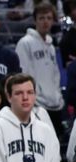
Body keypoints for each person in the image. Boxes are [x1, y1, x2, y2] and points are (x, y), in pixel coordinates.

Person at [16, 2, 64, 139]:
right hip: (37, 104)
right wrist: (33, 97)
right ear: (35, 20)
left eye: (49, 18)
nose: (45, 22)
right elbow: (23, 74)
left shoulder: (51, 46)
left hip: (55, 103)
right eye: (42, 18)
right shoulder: (25, 43)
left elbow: (56, 75)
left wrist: (58, 95)